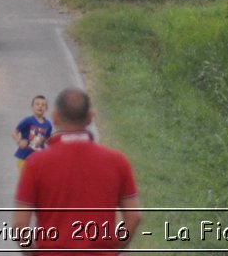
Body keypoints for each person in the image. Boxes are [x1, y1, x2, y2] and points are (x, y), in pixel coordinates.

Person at [12, 88, 140, 255]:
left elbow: (20, 225)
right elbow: (134, 217)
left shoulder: (35, 164)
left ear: (55, 117)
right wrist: (113, 249)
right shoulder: (117, 162)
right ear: (90, 118)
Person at [14, 94, 53, 173]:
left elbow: (48, 140)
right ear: (32, 107)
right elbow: (15, 132)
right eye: (37, 104)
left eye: (43, 105)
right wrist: (19, 141)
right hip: (24, 157)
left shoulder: (48, 125)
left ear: (46, 108)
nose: (40, 106)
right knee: (25, 181)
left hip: (39, 159)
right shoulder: (28, 120)